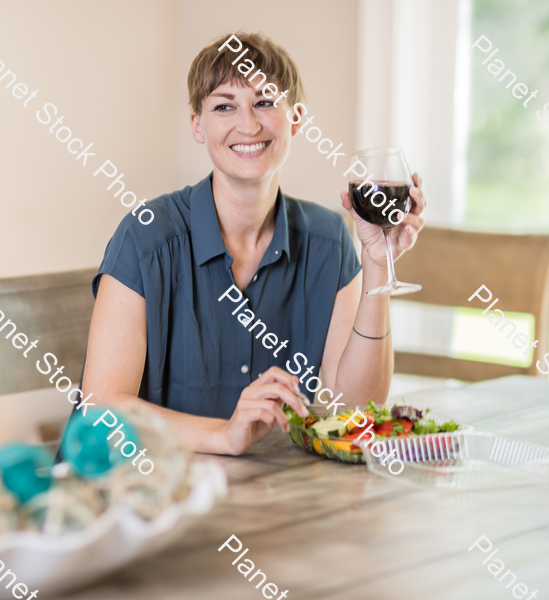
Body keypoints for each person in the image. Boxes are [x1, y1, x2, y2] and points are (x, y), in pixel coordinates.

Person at [81, 32, 426, 455]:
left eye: (265, 102)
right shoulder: (145, 236)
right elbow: (100, 411)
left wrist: (377, 263)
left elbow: (354, 409)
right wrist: (224, 435)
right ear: (197, 124)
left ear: (296, 118)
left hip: (271, 497)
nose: (248, 124)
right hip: (146, 498)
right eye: (224, 106)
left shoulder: (330, 240)